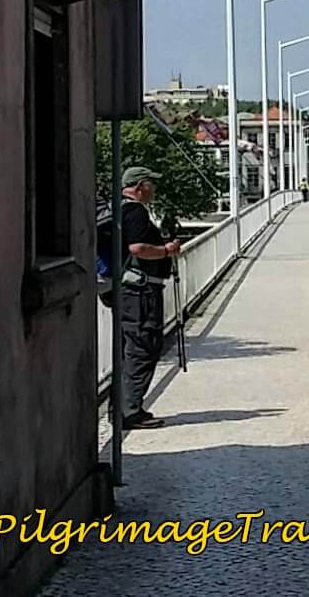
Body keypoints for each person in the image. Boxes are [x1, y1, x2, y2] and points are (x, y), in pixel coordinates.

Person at [115, 166, 180, 430]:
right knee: (143, 346)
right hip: (140, 292)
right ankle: (129, 411)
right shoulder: (135, 211)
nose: (154, 188)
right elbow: (138, 248)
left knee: (128, 348)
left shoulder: (119, 208)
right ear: (141, 185)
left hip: (127, 291)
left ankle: (121, 407)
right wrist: (166, 250)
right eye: (152, 183)